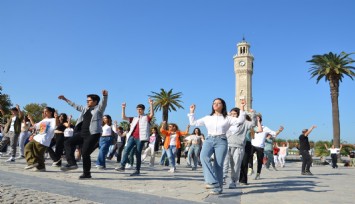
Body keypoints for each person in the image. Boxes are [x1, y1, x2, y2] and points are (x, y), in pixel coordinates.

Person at [188, 98, 246, 195]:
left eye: (218, 103)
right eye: (214, 103)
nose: (216, 104)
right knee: (203, 157)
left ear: (223, 105)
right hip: (209, 140)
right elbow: (193, 123)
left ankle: (218, 188)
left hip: (221, 140)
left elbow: (240, 120)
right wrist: (192, 112)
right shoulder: (208, 117)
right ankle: (212, 181)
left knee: (218, 165)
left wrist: (242, 108)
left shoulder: (228, 118)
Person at [59, 90, 108, 179]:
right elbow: (76, 106)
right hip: (82, 133)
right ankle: (72, 164)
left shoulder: (98, 110)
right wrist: (65, 99)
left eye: (89, 101)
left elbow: (103, 104)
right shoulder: (85, 109)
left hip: (93, 134)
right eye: (87, 101)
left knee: (85, 153)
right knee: (67, 143)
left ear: (95, 102)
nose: (87, 102)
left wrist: (105, 96)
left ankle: (87, 173)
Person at [115, 98, 154, 176]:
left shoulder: (146, 118)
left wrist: (151, 104)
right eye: (137, 109)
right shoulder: (134, 119)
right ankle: (122, 166)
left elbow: (151, 114)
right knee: (126, 150)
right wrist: (123, 108)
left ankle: (137, 170)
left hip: (141, 138)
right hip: (132, 137)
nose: (139, 111)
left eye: (140, 109)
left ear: (143, 110)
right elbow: (124, 117)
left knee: (138, 154)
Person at [223, 107, 260, 189]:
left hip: (238, 147)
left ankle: (233, 181)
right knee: (225, 163)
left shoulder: (244, 122)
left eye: (235, 114)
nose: (233, 115)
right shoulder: (227, 122)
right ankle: (222, 178)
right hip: (227, 145)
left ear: (239, 114)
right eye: (231, 113)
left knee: (235, 165)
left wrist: (253, 114)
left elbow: (253, 124)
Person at [250, 113, 284, 180]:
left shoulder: (265, 128)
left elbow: (274, 133)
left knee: (260, 161)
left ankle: (258, 173)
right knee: (249, 154)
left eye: (257, 119)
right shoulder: (252, 128)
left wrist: (279, 131)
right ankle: (250, 168)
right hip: (252, 145)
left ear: (259, 120)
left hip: (260, 147)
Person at [24, 107, 58, 171]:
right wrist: (30, 119)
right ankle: (32, 163)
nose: (44, 113)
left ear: (50, 112)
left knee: (38, 154)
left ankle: (41, 167)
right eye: (43, 112)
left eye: (46, 112)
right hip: (37, 137)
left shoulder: (53, 120)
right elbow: (35, 126)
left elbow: (56, 125)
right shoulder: (44, 120)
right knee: (27, 147)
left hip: (44, 139)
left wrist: (56, 117)